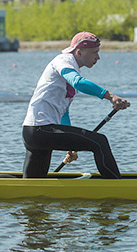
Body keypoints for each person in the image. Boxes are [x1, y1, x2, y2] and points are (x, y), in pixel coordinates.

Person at [22, 32, 130, 179]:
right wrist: (110, 96)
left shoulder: (71, 69)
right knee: (99, 142)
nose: (98, 57)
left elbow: (63, 113)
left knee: (31, 186)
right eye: (94, 53)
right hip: (40, 130)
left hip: (36, 133)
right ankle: (118, 187)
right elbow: (78, 82)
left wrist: (70, 147)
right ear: (79, 52)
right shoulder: (63, 61)